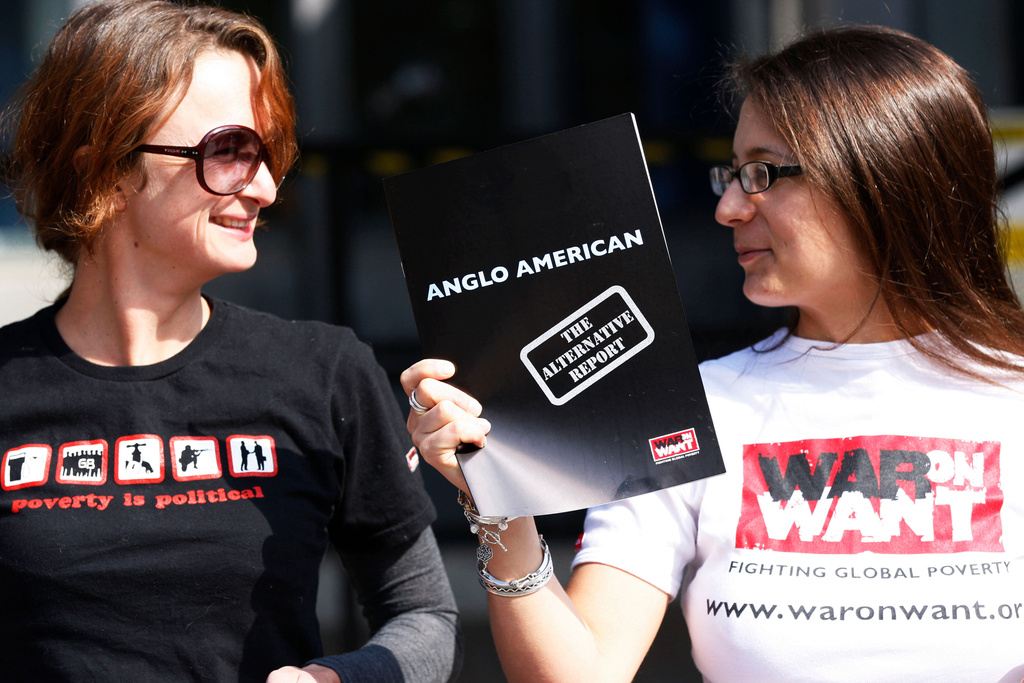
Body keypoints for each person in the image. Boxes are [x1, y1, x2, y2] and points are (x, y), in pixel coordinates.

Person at [402, 24, 1024, 682]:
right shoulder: (694, 407)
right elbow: (581, 674)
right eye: (730, 174)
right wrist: (501, 503)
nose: (728, 206)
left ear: (881, 173)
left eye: (760, 173)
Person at [0, 1, 459, 681]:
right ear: (106, 172)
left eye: (268, 153)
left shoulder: (325, 373)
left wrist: (339, 679)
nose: (268, 188)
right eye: (230, 151)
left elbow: (424, 611)